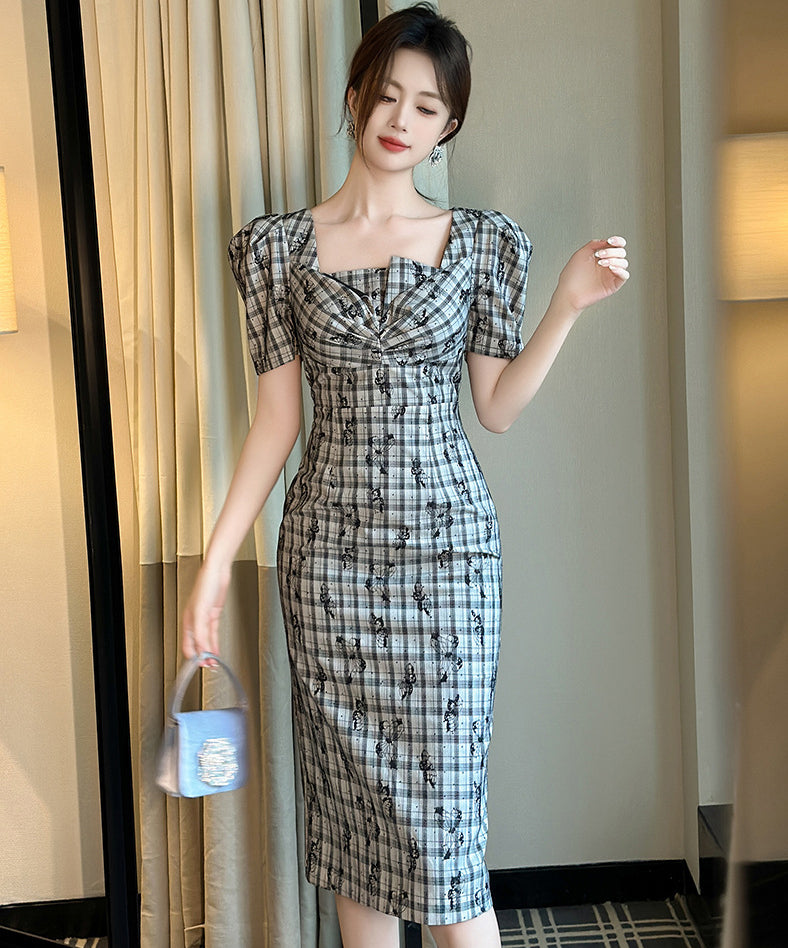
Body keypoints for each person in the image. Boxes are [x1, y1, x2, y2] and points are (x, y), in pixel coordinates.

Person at [180, 4, 630, 947]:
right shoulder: (276, 250)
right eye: (386, 95)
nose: (401, 119)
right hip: (328, 569)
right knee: (358, 839)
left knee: (449, 845)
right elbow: (276, 422)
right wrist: (216, 563)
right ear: (354, 97)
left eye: (426, 106)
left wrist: (567, 304)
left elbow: (495, 407)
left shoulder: (483, 243)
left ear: (449, 124)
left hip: (448, 561)